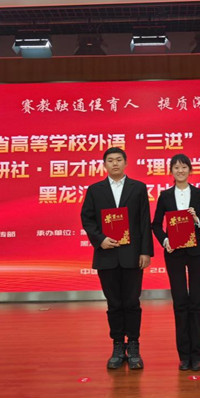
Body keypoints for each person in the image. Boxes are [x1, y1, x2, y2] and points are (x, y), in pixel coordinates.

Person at [80, 147, 154, 370]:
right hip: (107, 254)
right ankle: (117, 346)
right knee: (114, 304)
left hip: (132, 255)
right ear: (104, 165)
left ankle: (134, 346)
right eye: (110, 160)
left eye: (118, 160)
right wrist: (100, 239)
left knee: (132, 302)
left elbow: (144, 221)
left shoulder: (138, 188)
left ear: (125, 163)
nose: (114, 163)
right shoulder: (95, 190)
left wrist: (145, 252)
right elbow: (87, 218)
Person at [151, 154, 200, 371]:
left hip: (197, 252)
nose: (180, 171)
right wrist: (165, 241)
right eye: (176, 167)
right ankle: (184, 356)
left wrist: (197, 220)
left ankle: (197, 356)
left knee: (197, 302)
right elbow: (156, 225)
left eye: (184, 167)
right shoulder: (165, 196)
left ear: (190, 170)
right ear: (171, 171)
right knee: (180, 302)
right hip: (174, 253)